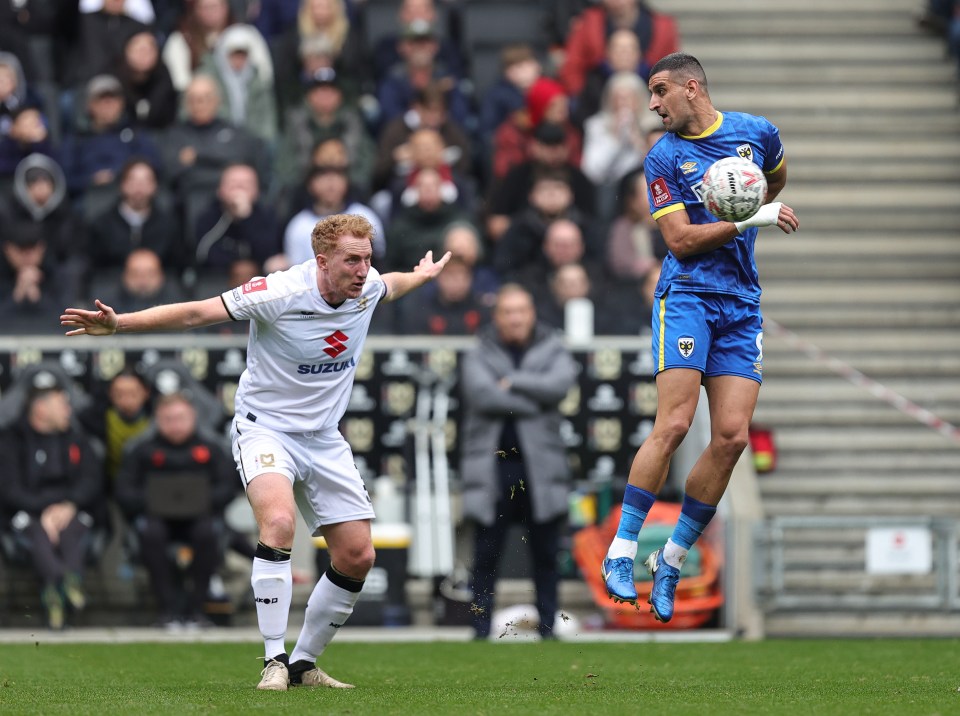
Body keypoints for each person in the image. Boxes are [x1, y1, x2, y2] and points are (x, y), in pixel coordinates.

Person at [62, 213, 451, 689]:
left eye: (367, 259)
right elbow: (194, 313)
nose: (363, 270)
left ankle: (304, 663)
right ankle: (273, 660)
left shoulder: (365, 285)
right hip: (266, 429)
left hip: (325, 437)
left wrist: (421, 275)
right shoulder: (278, 292)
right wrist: (119, 324)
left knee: (357, 555)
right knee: (280, 523)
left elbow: (392, 283)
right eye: (352, 260)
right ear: (321, 260)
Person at [599, 52, 799, 622]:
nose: (653, 104)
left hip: (741, 303)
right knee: (676, 423)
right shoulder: (663, 157)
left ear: (692, 87)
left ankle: (672, 555)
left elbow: (774, 178)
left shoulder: (755, 134)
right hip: (686, 296)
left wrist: (757, 200)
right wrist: (748, 219)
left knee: (733, 436)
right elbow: (681, 242)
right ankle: (620, 550)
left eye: (660, 91)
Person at [459, 284, 577, 640]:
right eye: (507, 312)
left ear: (532, 313)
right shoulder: (479, 352)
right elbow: (482, 394)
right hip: (494, 469)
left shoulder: (553, 348)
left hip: (540, 468)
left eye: (521, 310)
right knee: (485, 555)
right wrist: (533, 399)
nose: (515, 318)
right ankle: (480, 628)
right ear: (497, 318)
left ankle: (548, 627)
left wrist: (512, 382)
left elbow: (560, 385)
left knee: (545, 554)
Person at [114, 391, 237, 628]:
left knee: (208, 533)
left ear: (193, 417)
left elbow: (227, 488)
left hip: (200, 518)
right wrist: (155, 500)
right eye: (168, 419)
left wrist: (200, 500)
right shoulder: (141, 451)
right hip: (156, 520)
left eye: (180, 418)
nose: (175, 425)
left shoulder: (211, 449)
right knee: (151, 533)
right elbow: (124, 492)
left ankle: (196, 611)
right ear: (157, 420)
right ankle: (167, 610)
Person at [0, 371, 105, 630]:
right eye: (62, 404)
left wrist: (67, 506)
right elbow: (9, 489)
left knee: (73, 530)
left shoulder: (77, 438)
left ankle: (59, 591)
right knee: (36, 530)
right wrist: (45, 511)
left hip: (73, 512)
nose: (68, 410)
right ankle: (63, 583)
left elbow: (92, 481)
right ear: (40, 408)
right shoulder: (12, 439)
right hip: (28, 514)